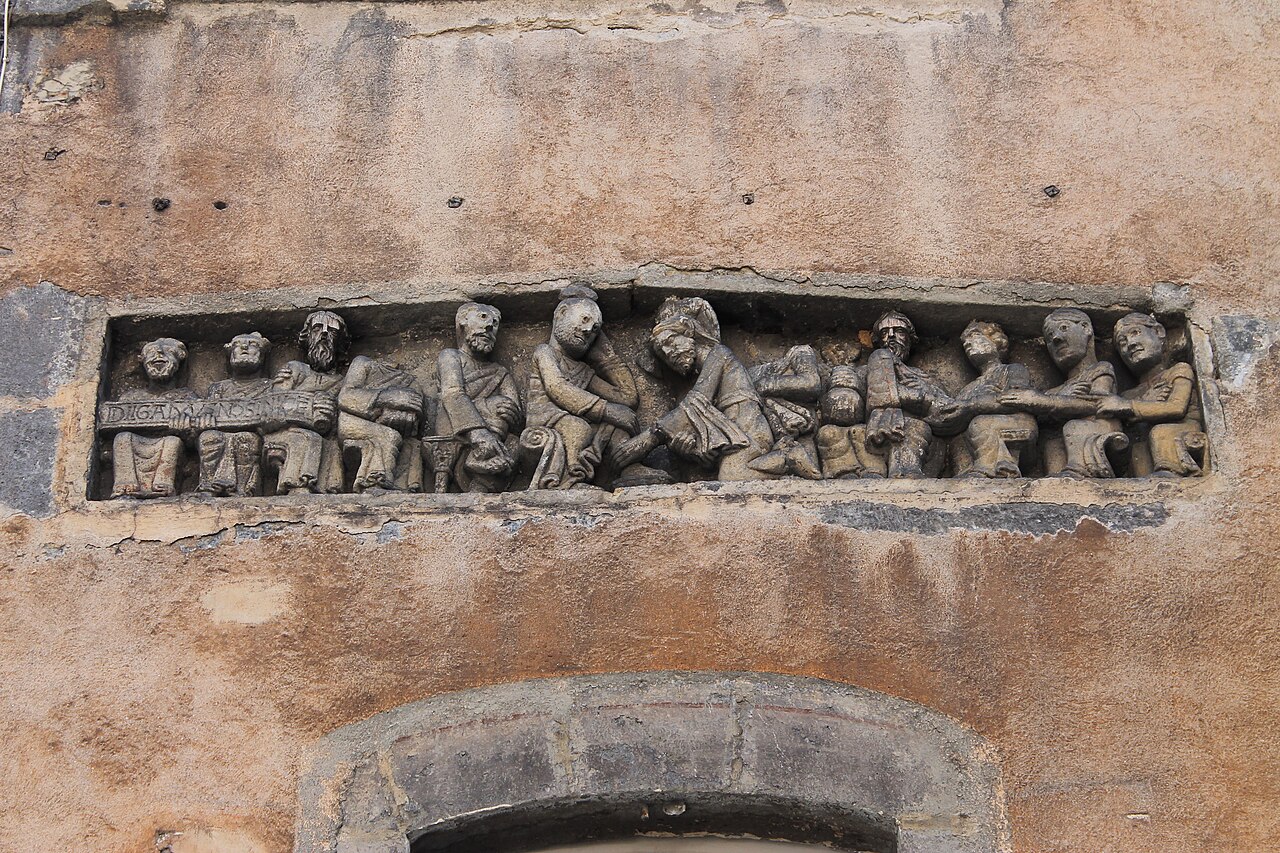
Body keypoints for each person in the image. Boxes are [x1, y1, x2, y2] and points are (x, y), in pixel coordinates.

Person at [611, 296, 776, 481]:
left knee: (732, 477)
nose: (668, 353)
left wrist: (650, 438)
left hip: (750, 431)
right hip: (734, 440)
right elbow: (707, 452)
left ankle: (788, 457)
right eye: (662, 353)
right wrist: (689, 450)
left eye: (670, 341)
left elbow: (696, 402)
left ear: (688, 332)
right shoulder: (692, 398)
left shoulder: (719, 355)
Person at [522, 285, 658, 489]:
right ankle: (569, 479)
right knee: (579, 428)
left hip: (572, 418)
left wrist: (607, 357)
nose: (588, 331)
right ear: (562, 314)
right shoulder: (545, 353)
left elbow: (628, 398)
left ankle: (628, 467)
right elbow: (557, 388)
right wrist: (607, 410)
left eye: (595, 329)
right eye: (585, 320)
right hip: (547, 419)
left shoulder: (583, 370)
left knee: (616, 426)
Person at [816, 310, 950, 479]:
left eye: (899, 331)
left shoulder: (922, 378)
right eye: (885, 333)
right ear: (878, 341)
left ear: (910, 339)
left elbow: (946, 411)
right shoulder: (863, 373)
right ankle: (851, 474)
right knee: (829, 433)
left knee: (912, 428)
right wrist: (843, 388)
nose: (891, 336)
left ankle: (904, 473)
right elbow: (844, 412)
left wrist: (919, 396)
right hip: (868, 433)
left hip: (909, 433)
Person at [1000, 308, 1126, 478]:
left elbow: (1098, 404)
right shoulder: (1058, 390)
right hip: (1068, 435)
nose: (1056, 338)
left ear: (1086, 329)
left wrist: (1042, 402)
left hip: (1099, 428)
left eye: (1064, 328)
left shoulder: (1100, 369)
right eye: (1050, 337)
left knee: (1074, 428)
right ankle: (1058, 478)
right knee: (1051, 442)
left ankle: (1081, 469)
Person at [1095, 313, 1205, 477]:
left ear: (1159, 332)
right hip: (1147, 443)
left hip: (1183, 428)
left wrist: (1128, 406)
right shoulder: (1129, 393)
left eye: (1135, 333)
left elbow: (1177, 407)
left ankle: (1171, 471)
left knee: (1160, 433)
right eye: (1122, 343)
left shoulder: (1179, 370)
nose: (1130, 344)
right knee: (1136, 445)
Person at [930, 320, 1038, 478]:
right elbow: (959, 415)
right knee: (957, 437)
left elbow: (1016, 400)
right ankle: (965, 473)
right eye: (966, 342)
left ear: (996, 341)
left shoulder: (1012, 370)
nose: (968, 343)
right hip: (979, 430)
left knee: (980, 423)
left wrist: (972, 406)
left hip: (1017, 421)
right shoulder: (969, 388)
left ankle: (994, 467)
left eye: (975, 337)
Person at [434, 302, 523, 492]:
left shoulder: (500, 372)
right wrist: (479, 433)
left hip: (494, 435)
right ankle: (477, 460)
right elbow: (452, 394)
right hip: (455, 429)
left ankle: (479, 484)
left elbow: (516, 415)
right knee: (498, 403)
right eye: (483, 317)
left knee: (515, 443)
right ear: (463, 322)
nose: (490, 326)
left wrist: (510, 413)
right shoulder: (450, 356)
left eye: (495, 323)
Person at [263, 310, 345, 494]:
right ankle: (297, 487)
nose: (324, 334)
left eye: (331, 331)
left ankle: (329, 490)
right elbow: (273, 408)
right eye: (317, 328)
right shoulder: (294, 369)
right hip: (284, 433)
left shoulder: (342, 382)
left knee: (335, 445)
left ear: (339, 342)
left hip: (324, 435)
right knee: (307, 438)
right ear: (307, 337)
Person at [106, 337, 196, 498]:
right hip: (136, 443)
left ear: (178, 362)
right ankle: (125, 485)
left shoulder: (187, 397)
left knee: (172, 441)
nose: (159, 353)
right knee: (122, 437)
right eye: (152, 352)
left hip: (167, 444)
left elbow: (194, 439)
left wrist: (184, 431)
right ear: (143, 362)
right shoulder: (131, 397)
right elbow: (112, 427)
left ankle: (163, 485)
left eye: (168, 351)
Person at [197, 332, 274, 496]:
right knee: (209, 437)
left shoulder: (270, 387)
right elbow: (208, 410)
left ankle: (242, 490)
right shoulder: (218, 388)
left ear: (262, 356)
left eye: (252, 345)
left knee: (246, 439)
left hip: (252, 434)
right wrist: (205, 418)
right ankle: (208, 486)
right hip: (220, 433)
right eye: (238, 345)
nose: (244, 348)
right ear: (230, 354)